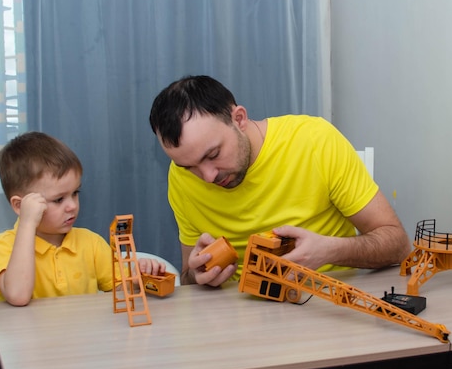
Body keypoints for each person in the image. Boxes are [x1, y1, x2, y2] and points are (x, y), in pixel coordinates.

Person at [149, 75, 411, 287]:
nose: (207, 176)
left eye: (213, 155)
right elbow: (187, 275)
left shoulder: (314, 141)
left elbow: (397, 245)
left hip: (329, 302)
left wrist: (329, 251)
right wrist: (198, 275)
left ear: (239, 119)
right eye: (190, 166)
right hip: (241, 317)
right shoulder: (180, 176)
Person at [0, 131, 165, 306]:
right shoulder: (3, 246)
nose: (72, 206)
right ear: (20, 206)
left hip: (82, 336)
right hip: (30, 338)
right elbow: (18, 295)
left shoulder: (90, 243)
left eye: (75, 193)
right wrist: (27, 223)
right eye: (59, 199)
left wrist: (137, 274)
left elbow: (120, 292)